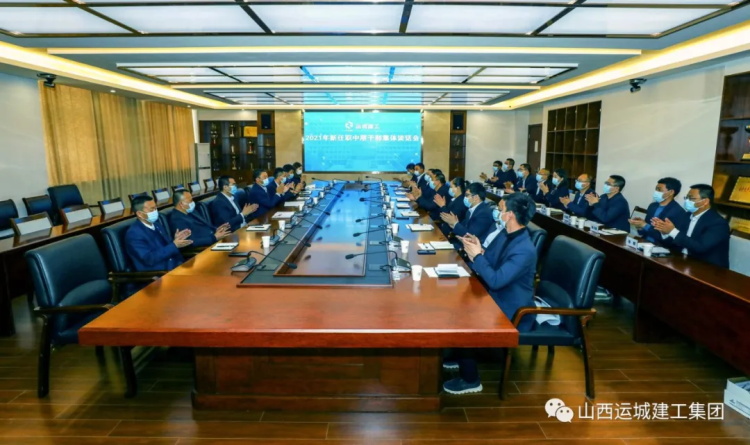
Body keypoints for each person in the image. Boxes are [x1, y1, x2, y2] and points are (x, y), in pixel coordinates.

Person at [443, 193, 538, 394]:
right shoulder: (505, 234)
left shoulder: (524, 249)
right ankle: (459, 354)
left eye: (500, 209)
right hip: (497, 294)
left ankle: (471, 380)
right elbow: (491, 260)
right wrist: (476, 247)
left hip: (511, 307)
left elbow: (496, 280)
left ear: (510, 215)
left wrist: (477, 256)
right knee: (453, 300)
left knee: (464, 315)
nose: (497, 212)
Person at [652, 184, 730, 268]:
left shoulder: (718, 223)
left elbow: (700, 247)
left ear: (705, 201)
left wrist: (673, 231)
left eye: (691, 198)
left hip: (707, 267)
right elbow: (678, 240)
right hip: (683, 260)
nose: (687, 201)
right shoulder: (686, 215)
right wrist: (665, 232)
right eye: (686, 198)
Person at [125, 195, 192, 272]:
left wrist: (176, 239)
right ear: (139, 214)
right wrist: (174, 245)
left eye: (155, 208)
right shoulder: (134, 234)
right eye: (152, 209)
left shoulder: (157, 224)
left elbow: (166, 247)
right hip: (159, 273)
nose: (155, 211)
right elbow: (149, 259)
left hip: (176, 265)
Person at [629, 177, 689, 244]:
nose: (656, 192)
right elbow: (644, 230)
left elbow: (668, 238)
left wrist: (644, 225)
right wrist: (639, 226)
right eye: (656, 189)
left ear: (671, 192)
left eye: (659, 190)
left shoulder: (678, 211)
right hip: (644, 242)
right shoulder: (652, 206)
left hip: (660, 246)